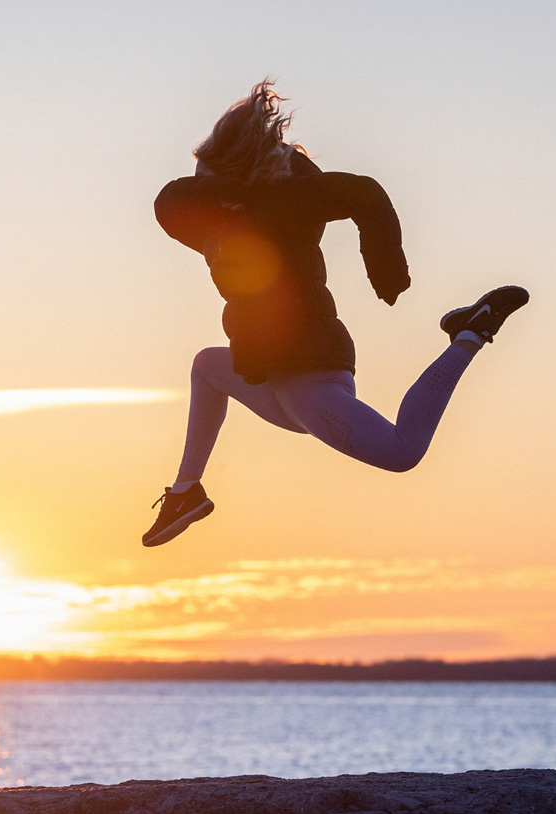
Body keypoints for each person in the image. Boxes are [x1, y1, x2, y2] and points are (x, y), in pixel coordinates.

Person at [143, 81, 528, 547]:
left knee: (402, 452)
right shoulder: (220, 222)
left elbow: (363, 194)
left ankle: (469, 334)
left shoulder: (286, 205)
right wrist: (236, 185)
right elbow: (169, 203)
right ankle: (186, 492)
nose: (204, 190)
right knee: (207, 365)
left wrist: (387, 271)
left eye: (211, 179)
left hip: (311, 378)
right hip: (270, 379)